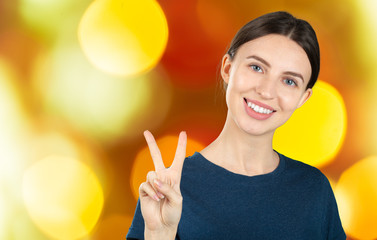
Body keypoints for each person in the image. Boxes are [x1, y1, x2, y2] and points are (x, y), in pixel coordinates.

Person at [126, 11, 346, 240]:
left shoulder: (314, 190)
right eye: (257, 68)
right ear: (227, 68)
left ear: (303, 98)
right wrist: (159, 234)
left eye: (289, 81)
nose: (266, 91)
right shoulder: (170, 189)